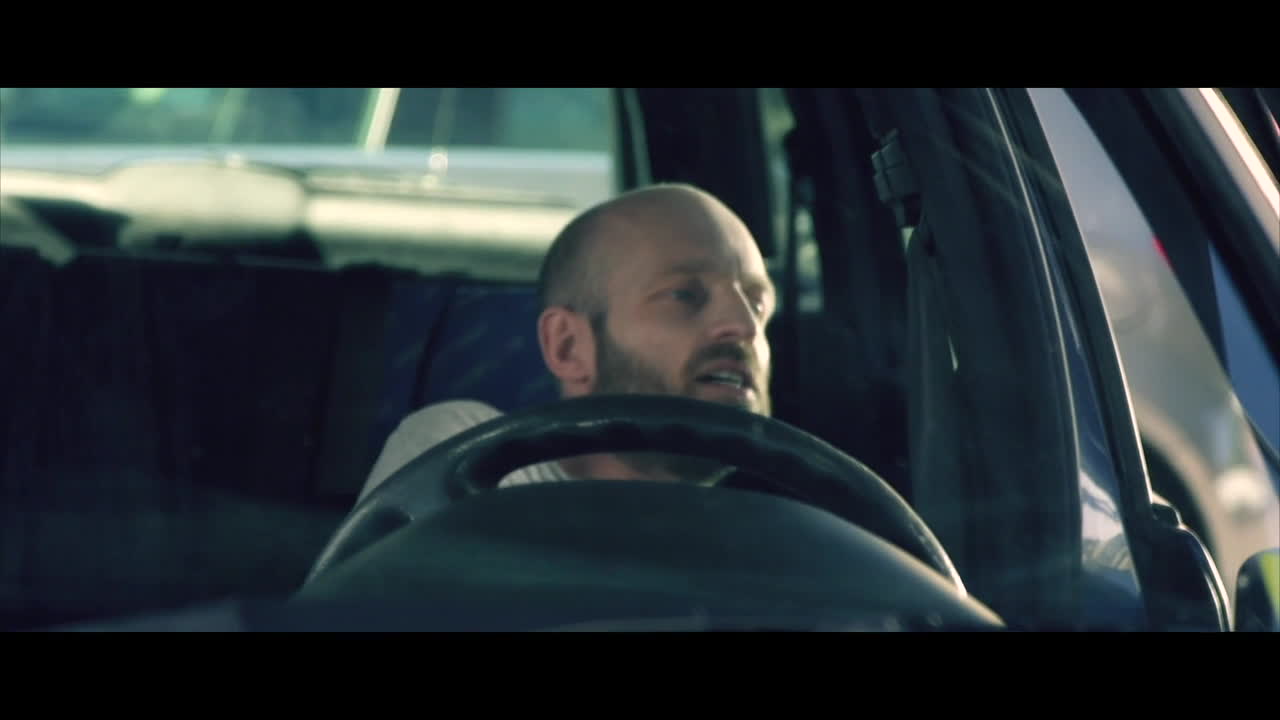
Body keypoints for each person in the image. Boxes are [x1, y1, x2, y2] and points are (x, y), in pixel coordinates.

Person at [358, 183, 776, 500]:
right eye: (684, 295)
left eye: (757, 304)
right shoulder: (469, 465)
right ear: (569, 346)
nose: (744, 325)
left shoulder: (785, 525)